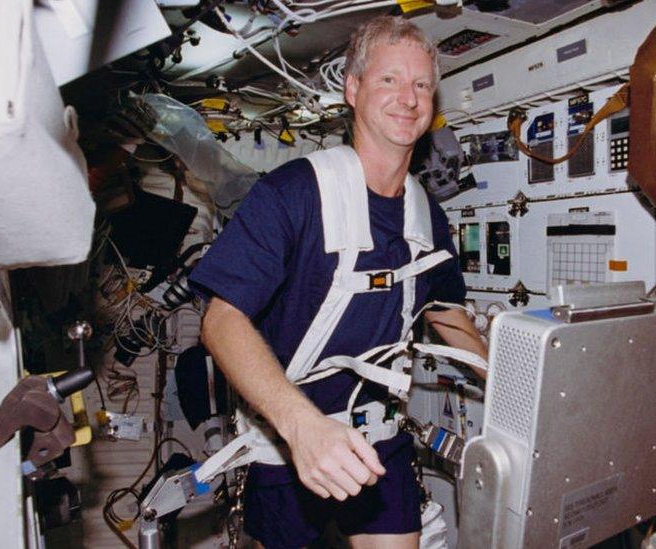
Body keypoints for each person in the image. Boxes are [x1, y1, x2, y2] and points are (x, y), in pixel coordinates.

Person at [189, 15, 487, 549]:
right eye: (389, 80)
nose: (409, 98)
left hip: (380, 438)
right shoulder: (293, 194)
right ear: (353, 90)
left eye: (422, 84)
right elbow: (220, 320)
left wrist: (513, 388)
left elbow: (446, 311)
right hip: (286, 440)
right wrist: (301, 429)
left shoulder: (426, 215)